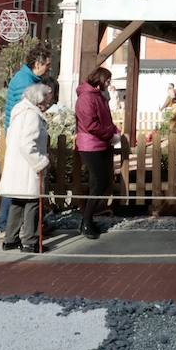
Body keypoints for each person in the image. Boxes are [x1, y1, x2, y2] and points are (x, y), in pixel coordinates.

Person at [0, 42, 53, 238]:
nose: (49, 68)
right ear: (37, 63)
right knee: (20, 187)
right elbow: (30, 108)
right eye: (47, 64)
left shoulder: (25, 77)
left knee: (16, 183)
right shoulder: (26, 83)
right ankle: (13, 229)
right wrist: (41, 162)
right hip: (20, 137)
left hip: (16, 134)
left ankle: (11, 230)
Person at [75, 66, 120, 240]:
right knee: (99, 183)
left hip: (100, 144)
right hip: (90, 145)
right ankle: (86, 221)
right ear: (100, 79)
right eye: (107, 80)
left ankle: (88, 219)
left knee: (100, 182)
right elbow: (90, 124)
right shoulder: (86, 98)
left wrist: (114, 130)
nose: (109, 83)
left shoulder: (99, 96)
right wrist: (110, 134)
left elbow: (106, 118)